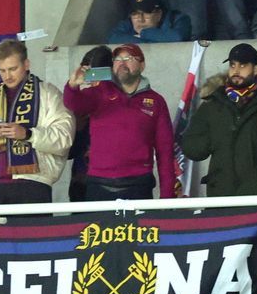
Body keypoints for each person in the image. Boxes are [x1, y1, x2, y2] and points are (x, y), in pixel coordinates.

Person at [179, 43, 257, 196]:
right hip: (221, 195)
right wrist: (211, 141)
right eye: (233, 65)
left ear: (256, 69)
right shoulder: (212, 103)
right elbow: (190, 145)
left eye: (243, 65)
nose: (236, 71)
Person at [0, 38, 73, 203]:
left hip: (33, 184)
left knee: (30, 230)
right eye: (2, 70)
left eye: (13, 69)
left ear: (26, 64)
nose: (7, 76)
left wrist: (28, 134)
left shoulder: (49, 94)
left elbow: (64, 139)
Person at [62, 43, 177, 199]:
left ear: (142, 65)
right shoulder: (99, 92)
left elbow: (165, 151)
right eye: (117, 59)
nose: (122, 62)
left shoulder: (156, 101)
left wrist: (167, 196)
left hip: (138, 184)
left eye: (129, 58)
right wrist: (73, 85)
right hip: (98, 183)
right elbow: (75, 104)